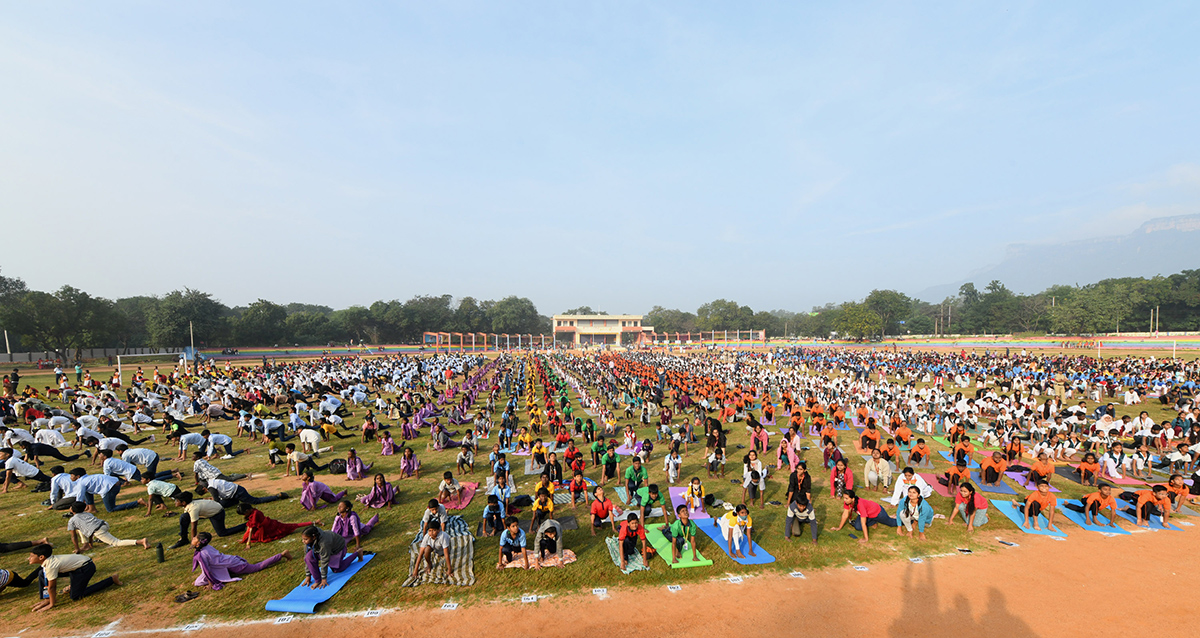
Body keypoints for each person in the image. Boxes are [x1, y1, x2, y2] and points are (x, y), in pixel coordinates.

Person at [29, 543, 119, 610]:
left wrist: (52, 604)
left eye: (31, 556)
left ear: (41, 557)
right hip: (74, 568)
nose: (29, 558)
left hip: (86, 567)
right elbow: (46, 581)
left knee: (76, 596)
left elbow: (52, 587)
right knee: (41, 573)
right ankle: (47, 599)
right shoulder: (47, 562)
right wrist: (47, 599)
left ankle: (111, 579)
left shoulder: (51, 566)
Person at [191, 531, 292, 590]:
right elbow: (207, 569)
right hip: (229, 562)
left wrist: (210, 584)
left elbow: (206, 570)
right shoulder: (206, 547)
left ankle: (282, 555)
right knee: (198, 581)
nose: (193, 538)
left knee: (257, 567)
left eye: (195, 537)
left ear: (199, 542)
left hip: (234, 565)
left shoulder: (202, 554)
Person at [171, 491, 246, 549]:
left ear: (183, 503)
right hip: (208, 510)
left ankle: (245, 525)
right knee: (184, 517)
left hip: (217, 513)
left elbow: (194, 527)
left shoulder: (193, 508)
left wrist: (193, 542)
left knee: (222, 533)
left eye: (177, 501)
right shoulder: (189, 505)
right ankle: (183, 539)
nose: (175, 502)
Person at [66, 501, 149, 551]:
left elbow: (74, 536)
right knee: (80, 529)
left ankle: (141, 541)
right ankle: (87, 545)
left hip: (98, 530)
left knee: (116, 542)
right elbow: (89, 529)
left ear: (72, 510)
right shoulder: (87, 514)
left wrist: (77, 548)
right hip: (104, 524)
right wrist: (90, 543)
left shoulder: (72, 521)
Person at [831, 489, 896, 543]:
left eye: (846, 498)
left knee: (891, 523)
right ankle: (874, 521)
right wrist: (839, 528)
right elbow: (845, 515)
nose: (844, 500)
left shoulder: (860, 505)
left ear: (853, 498)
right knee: (858, 527)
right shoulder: (847, 502)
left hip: (878, 512)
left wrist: (866, 538)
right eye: (844, 498)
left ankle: (903, 519)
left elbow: (863, 523)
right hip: (868, 514)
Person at [236, 503, 314, 545]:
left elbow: (251, 529)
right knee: (291, 526)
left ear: (246, 511)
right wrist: (245, 538)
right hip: (270, 525)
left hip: (268, 528)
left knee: (292, 526)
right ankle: (313, 522)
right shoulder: (254, 512)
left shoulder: (255, 514)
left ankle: (313, 522)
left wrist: (248, 542)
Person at [784, 462, 818, 544]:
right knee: (797, 533)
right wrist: (786, 536)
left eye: (801, 469)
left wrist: (814, 540)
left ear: (805, 470)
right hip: (796, 495)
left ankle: (804, 520)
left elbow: (808, 492)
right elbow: (788, 521)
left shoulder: (809, 508)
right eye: (798, 469)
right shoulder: (792, 507)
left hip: (803, 495)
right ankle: (796, 521)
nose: (798, 471)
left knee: (811, 519)